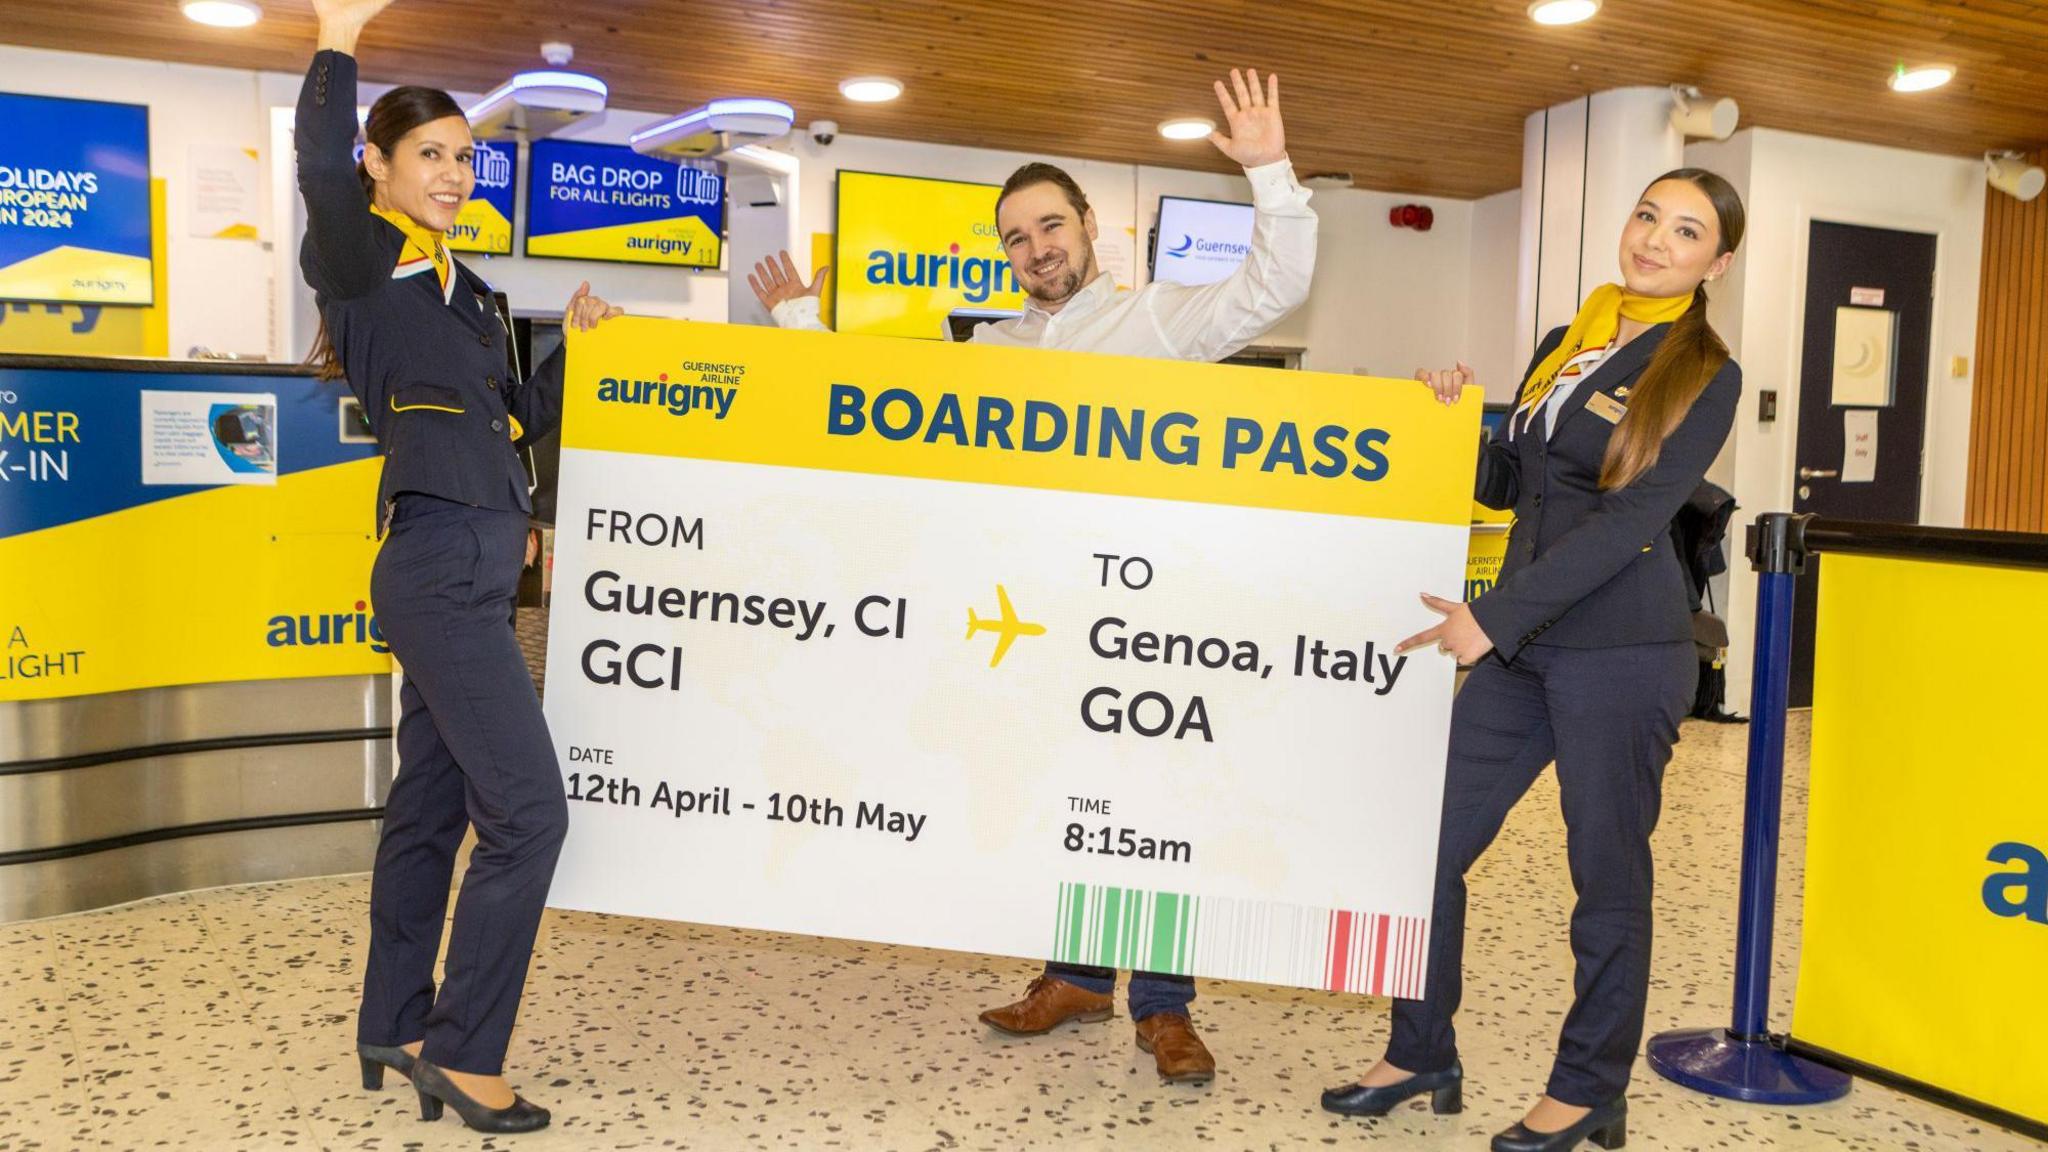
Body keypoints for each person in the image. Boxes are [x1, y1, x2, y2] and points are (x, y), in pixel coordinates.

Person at [749, 69, 1317, 1085]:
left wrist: (1268, 167)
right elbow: (879, 424)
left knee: (1154, 809)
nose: (1035, 249)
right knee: (1069, 802)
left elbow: (1275, 286)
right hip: (1044, 622)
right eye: (1015, 237)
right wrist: (797, 326)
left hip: (1152, 621)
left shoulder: (1159, 323)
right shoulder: (996, 348)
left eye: (1049, 226)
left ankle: (1167, 1008)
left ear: (1088, 226)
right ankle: (1076, 977)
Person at [1321, 169, 1746, 1152]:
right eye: (1646, 214)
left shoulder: (1704, 374)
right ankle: (1420, 1048)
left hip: (1622, 654)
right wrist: (1451, 418)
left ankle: (1589, 1086)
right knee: (1422, 847)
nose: (1653, 239)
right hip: (1524, 647)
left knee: (1603, 878)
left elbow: (1631, 522)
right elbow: (1517, 484)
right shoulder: (1573, 337)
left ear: (1714, 262)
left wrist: (1492, 615)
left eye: (1683, 231)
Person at [298, 0, 622, 1134]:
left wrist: (571, 357)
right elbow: (314, 160)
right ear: (377, 167)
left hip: (483, 568)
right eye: (428, 153)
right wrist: (337, 36)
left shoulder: (473, 293)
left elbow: (513, 421)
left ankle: (394, 1019)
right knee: (531, 815)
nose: (452, 169)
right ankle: (465, 1052)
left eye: (464, 154)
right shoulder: (360, 255)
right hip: (435, 562)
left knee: (430, 811)